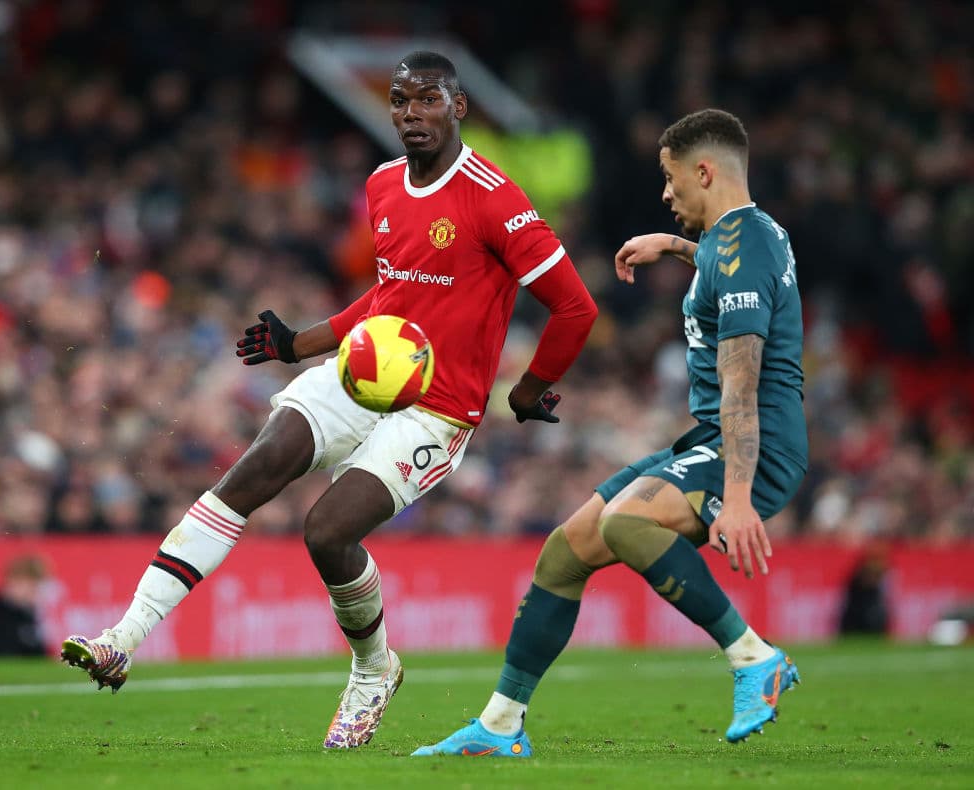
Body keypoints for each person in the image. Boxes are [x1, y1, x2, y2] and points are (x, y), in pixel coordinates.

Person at [60, 51, 598, 750]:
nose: (412, 114)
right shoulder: (381, 186)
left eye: (428, 100)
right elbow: (389, 296)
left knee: (327, 533)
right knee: (254, 467)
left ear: (459, 107)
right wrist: (300, 344)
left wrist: (527, 390)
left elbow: (574, 307)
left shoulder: (495, 197)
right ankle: (122, 639)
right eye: (401, 101)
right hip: (360, 376)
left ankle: (374, 670)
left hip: (437, 408)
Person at [413, 108, 807, 757]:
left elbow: (741, 379)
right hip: (713, 437)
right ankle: (500, 724)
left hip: (753, 443)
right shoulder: (751, 238)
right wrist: (676, 246)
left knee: (629, 524)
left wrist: (737, 498)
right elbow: (729, 265)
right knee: (565, 550)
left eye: (671, 179)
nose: (666, 192)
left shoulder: (745, 246)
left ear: (704, 171)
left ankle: (752, 657)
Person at [0, 554, 49, 657]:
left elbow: (37, 654)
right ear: (13, 581)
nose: (35, 592)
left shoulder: (28, 615)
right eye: (32, 585)